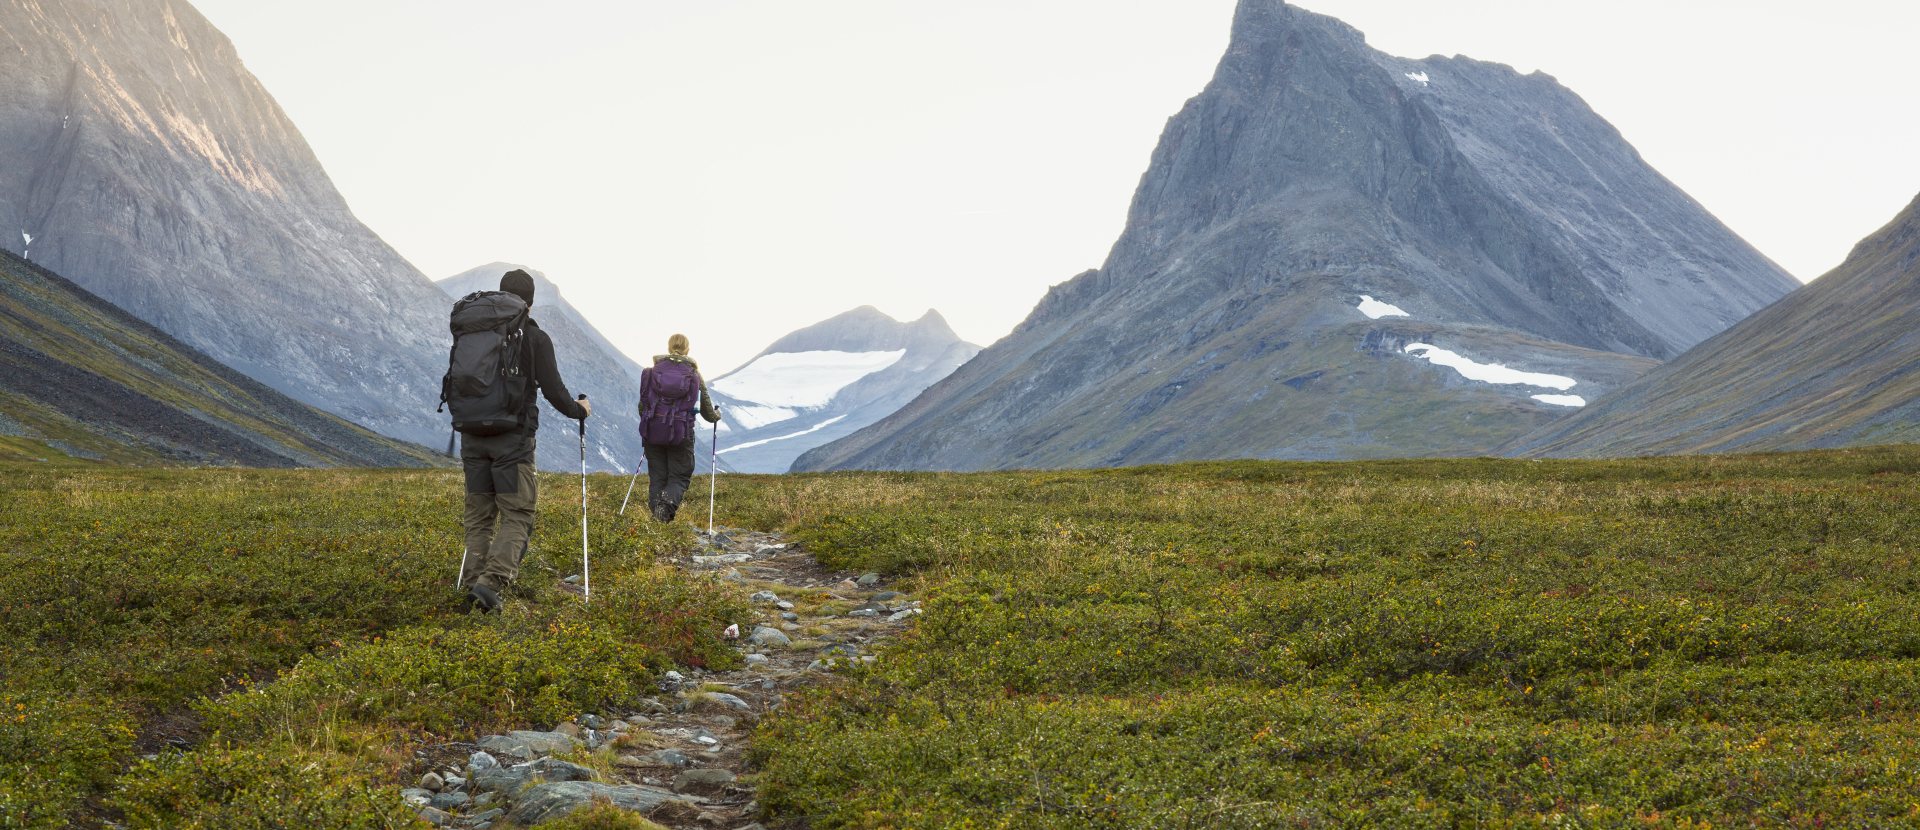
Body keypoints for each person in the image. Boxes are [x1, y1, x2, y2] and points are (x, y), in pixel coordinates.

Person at [460, 269, 590, 613]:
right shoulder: (535, 338)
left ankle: (473, 583)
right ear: (530, 303)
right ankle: (490, 585)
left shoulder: (475, 332)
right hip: (512, 440)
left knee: (479, 515)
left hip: (472, 434)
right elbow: (555, 392)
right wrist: (580, 411)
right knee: (517, 513)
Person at [639, 333, 721, 522]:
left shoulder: (652, 373)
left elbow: (643, 406)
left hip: (653, 432)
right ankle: (664, 511)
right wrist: (717, 415)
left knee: (657, 476)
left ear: (668, 348)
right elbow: (708, 413)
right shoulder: (694, 375)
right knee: (680, 476)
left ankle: (657, 521)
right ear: (687, 349)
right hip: (681, 433)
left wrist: (655, 421)